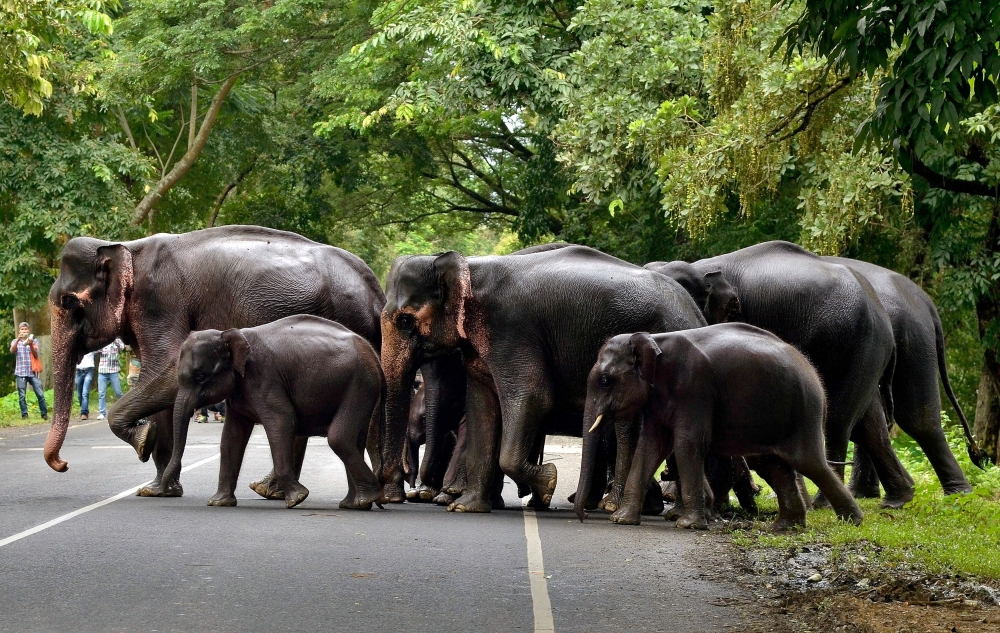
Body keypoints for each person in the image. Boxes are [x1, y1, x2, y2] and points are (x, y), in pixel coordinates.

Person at [10, 322, 47, 420]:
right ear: (19, 331)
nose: (24, 331)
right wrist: (18, 339)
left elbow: (36, 355)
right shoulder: (14, 341)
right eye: (22, 329)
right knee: (22, 395)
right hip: (20, 372)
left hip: (33, 372)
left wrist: (30, 344)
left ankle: (44, 414)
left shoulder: (34, 341)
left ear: (29, 330)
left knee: (40, 394)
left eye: (26, 329)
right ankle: (24, 415)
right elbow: (12, 351)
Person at [96, 338, 125, 420]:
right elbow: (96, 351)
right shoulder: (102, 341)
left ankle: (123, 410)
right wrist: (102, 344)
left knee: (118, 392)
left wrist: (115, 342)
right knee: (101, 393)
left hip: (113, 371)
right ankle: (102, 413)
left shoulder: (118, 341)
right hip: (102, 371)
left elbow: (122, 348)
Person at [75, 351, 95, 420]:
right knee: (79, 394)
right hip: (79, 370)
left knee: (85, 393)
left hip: (89, 369)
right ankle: (84, 408)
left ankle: (84, 413)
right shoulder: (77, 344)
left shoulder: (91, 343)